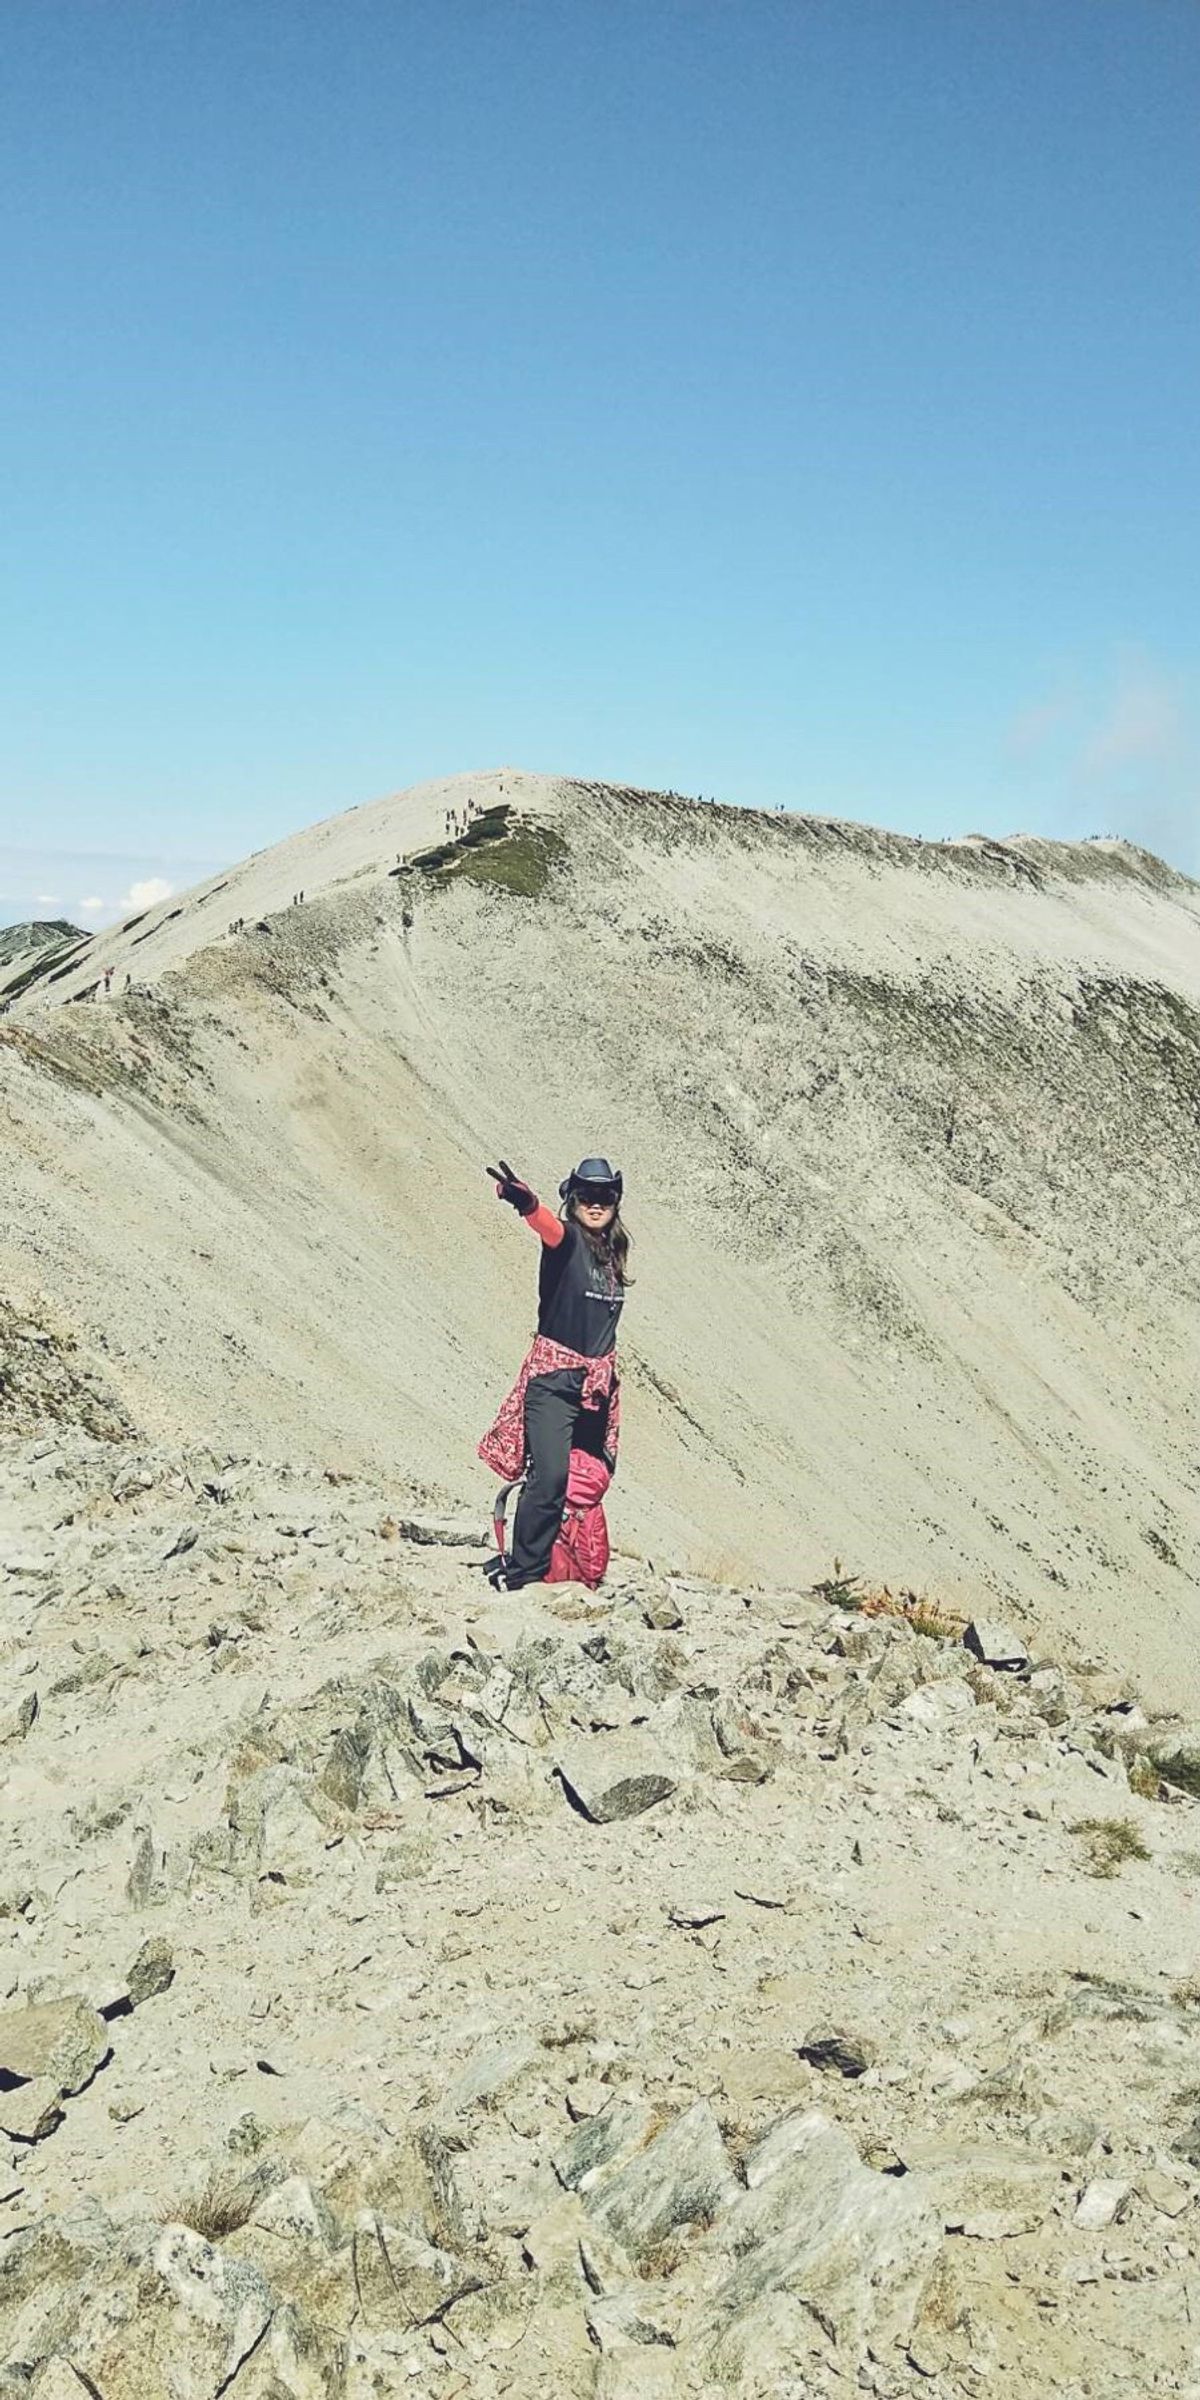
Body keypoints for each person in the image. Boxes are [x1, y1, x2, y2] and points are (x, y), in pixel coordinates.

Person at [479, 1157, 631, 1589]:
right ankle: (523, 1570)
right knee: (550, 1477)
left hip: (594, 1389)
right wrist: (526, 1203)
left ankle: (570, 1562)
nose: (596, 1204)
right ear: (573, 1198)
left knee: (587, 1478)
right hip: (554, 1382)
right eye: (586, 1195)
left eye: (604, 1197)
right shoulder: (566, 1242)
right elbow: (546, 1225)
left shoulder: (613, 1255)